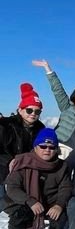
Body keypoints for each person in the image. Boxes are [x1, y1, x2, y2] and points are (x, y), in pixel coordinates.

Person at [4, 128, 72, 229]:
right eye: (43, 146)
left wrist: (59, 205)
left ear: (56, 149)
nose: (47, 150)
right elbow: (12, 188)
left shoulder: (62, 166)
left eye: (51, 147)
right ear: (35, 147)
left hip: (52, 203)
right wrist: (30, 201)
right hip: (28, 203)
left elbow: (65, 187)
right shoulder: (23, 163)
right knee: (15, 226)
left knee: (61, 219)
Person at [32, 59, 75, 168]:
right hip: (62, 150)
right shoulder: (68, 108)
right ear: (74, 99)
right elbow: (58, 90)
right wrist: (48, 68)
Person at [0, 83, 45, 211]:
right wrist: (9, 161)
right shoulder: (5, 125)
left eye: (37, 111)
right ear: (20, 109)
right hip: (2, 169)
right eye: (29, 110)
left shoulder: (40, 128)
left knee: (10, 201)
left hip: (23, 170)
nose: (33, 114)